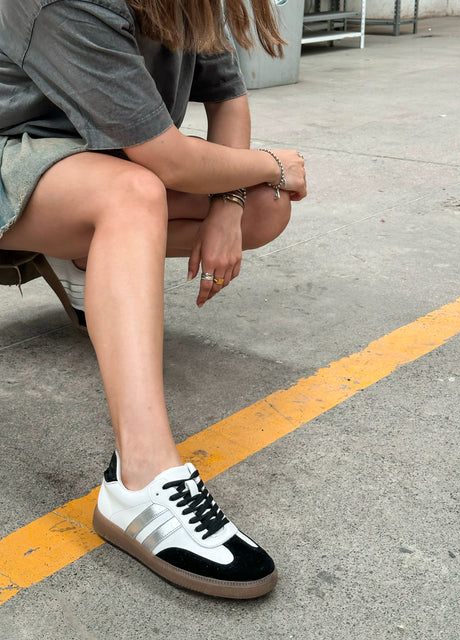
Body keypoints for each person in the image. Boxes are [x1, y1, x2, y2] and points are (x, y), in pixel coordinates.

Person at [0, 0, 306, 599]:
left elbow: (227, 97)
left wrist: (230, 205)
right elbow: (167, 159)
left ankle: (90, 256)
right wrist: (273, 161)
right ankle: (139, 480)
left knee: (265, 206)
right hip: (15, 153)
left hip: (102, 159)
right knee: (134, 191)